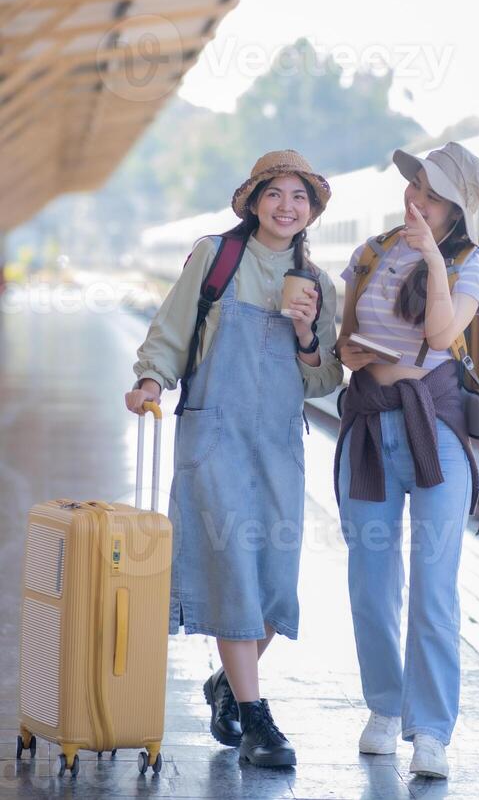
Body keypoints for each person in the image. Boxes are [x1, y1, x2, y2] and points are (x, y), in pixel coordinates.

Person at [125, 150, 343, 768]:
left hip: (278, 442)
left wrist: (305, 334)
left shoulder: (320, 285)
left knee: (275, 581)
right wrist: (149, 381)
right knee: (231, 572)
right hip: (213, 435)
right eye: (275, 194)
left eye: (299, 197)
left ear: (311, 211)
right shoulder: (216, 257)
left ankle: (227, 684)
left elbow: (325, 378)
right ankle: (255, 720)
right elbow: (171, 329)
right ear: (253, 201)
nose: (286, 207)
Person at [334, 141, 479, 779]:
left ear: (455, 208)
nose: (413, 200)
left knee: (433, 586)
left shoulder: (475, 263)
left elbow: (442, 335)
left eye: (427, 193)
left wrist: (428, 253)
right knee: (370, 583)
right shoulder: (369, 253)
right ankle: (384, 707)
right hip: (371, 425)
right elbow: (343, 340)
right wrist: (343, 349)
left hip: (439, 433)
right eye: (413, 187)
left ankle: (431, 731)